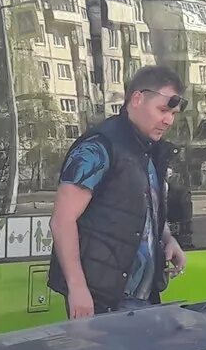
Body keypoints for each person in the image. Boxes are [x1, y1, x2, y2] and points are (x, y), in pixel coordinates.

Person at [49, 65, 187, 319]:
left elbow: (146, 206)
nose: (169, 120)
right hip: (103, 297)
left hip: (139, 296)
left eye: (173, 114)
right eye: (163, 110)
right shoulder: (99, 147)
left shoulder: (150, 149)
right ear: (137, 99)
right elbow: (62, 220)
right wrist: (77, 288)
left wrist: (167, 239)